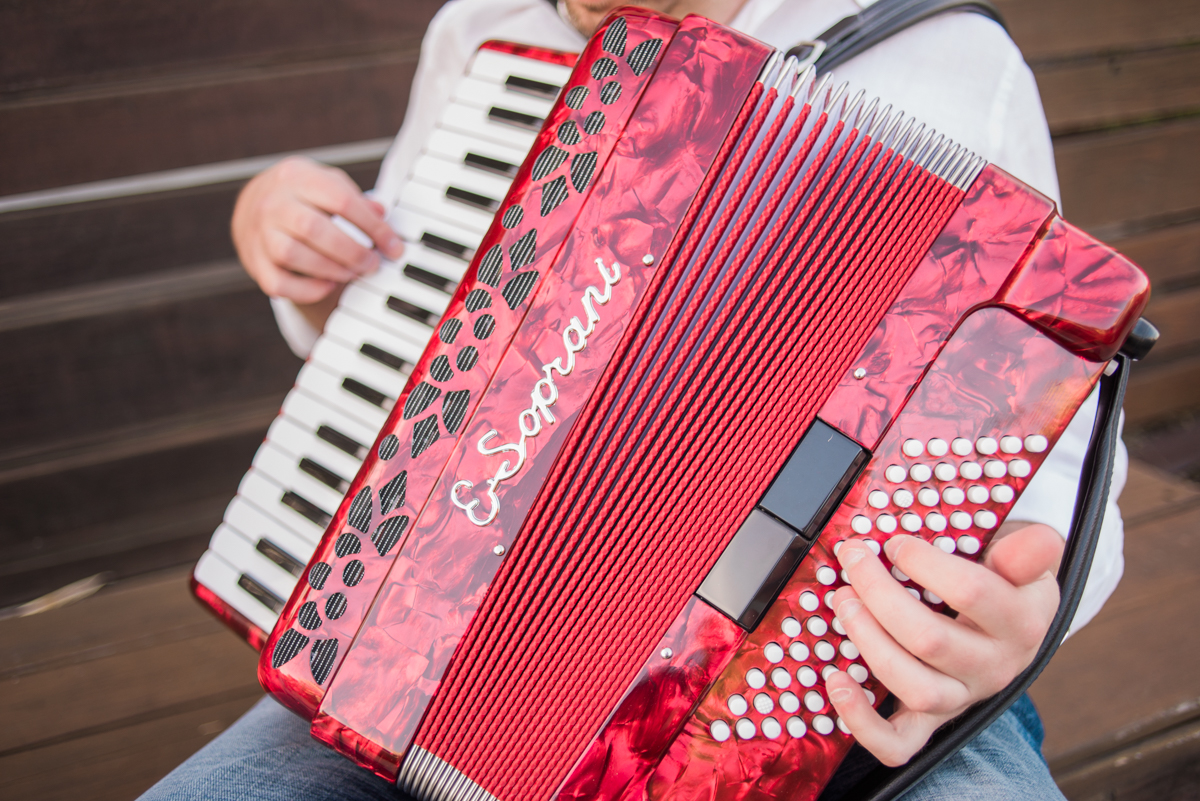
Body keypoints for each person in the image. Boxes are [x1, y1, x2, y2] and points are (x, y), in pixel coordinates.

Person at [145, 0, 1129, 798]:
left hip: (844, 698)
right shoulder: (482, 36)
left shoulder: (942, 53)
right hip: (417, 666)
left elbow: (1060, 458)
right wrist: (315, 269)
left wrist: (1017, 618)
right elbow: (413, 330)